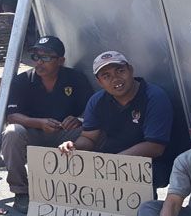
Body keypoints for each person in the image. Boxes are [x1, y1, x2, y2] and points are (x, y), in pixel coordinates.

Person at [58, 51, 178, 190]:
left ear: (131, 70)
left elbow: (155, 147)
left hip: (152, 164)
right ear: (100, 82)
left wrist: (113, 163)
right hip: (112, 161)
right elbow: (89, 138)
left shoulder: (154, 97)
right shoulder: (97, 101)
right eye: (106, 76)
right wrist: (73, 146)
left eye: (120, 71)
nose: (115, 79)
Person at [0, 36, 93, 213]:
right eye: (36, 56)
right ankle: (21, 192)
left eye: (47, 57)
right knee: (12, 132)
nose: (40, 62)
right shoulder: (23, 80)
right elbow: (12, 116)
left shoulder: (76, 78)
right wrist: (38, 123)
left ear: (61, 61)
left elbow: (92, 110)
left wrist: (78, 119)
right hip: (32, 134)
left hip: (65, 135)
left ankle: (85, 188)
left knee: (93, 132)